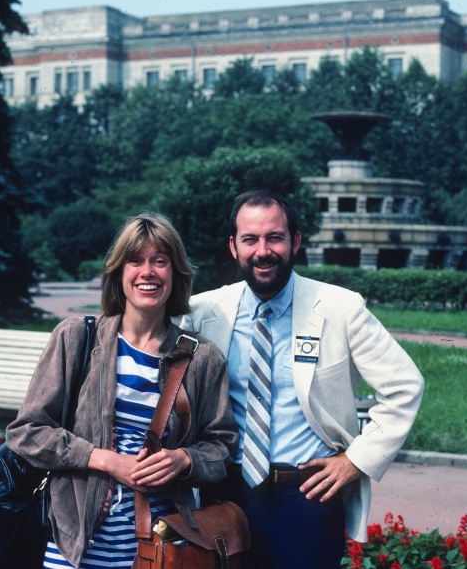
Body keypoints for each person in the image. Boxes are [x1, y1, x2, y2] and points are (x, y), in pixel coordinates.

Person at [180, 190, 424, 568]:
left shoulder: (340, 308)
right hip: (224, 494)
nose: (263, 250)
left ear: (295, 241)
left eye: (274, 237)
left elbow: (405, 385)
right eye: (250, 239)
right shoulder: (203, 313)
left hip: (308, 497)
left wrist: (356, 460)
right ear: (233, 247)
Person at [7, 213, 239, 568]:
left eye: (160, 261)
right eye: (136, 260)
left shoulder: (201, 357)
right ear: (119, 272)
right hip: (74, 544)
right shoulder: (77, 337)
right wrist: (106, 460)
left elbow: (222, 447)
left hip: (161, 548)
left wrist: (184, 459)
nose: (148, 272)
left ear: (175, 274)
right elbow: (27, 432)